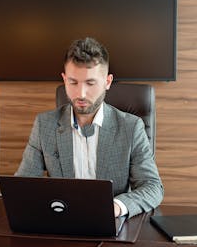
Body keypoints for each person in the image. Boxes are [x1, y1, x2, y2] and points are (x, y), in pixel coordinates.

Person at [16, 37, 163, 218]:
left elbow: (152, 187)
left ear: (107, 82)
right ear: (64, 79)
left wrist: (116, 207)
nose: (81, 93)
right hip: (61, 221)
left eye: (90, 83)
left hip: (110, 224)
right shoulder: (44, 125)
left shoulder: (131, 127)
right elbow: (22, 186)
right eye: (73, 82)